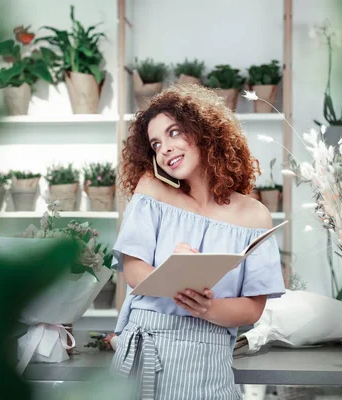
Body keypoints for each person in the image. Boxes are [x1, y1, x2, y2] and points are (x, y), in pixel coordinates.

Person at [110, 84, 285, 400]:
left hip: (209, 364)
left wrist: (207, 307)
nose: (164, 148)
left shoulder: (255, 216)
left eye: (174, 133)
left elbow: (253, 308)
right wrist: (173, 274)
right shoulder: (151, 189)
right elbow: (134, 269)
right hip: (145, 352)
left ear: (204, 132)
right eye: (155, 143)